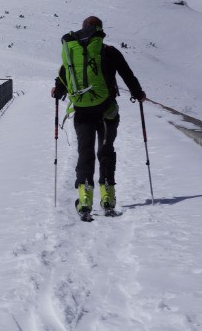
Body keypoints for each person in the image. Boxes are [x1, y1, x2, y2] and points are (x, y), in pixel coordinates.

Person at [52, 16, 146, 217]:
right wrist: (138, 94)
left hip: (82, 112)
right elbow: (127, 75)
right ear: (100, 31)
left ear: (83, 29)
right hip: (107, 112)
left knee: (85, 153)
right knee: (106, 151)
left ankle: (85, 199)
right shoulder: (109, 52)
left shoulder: (72, 52)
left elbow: (63, 75)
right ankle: (108, 197)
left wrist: (58, 91)